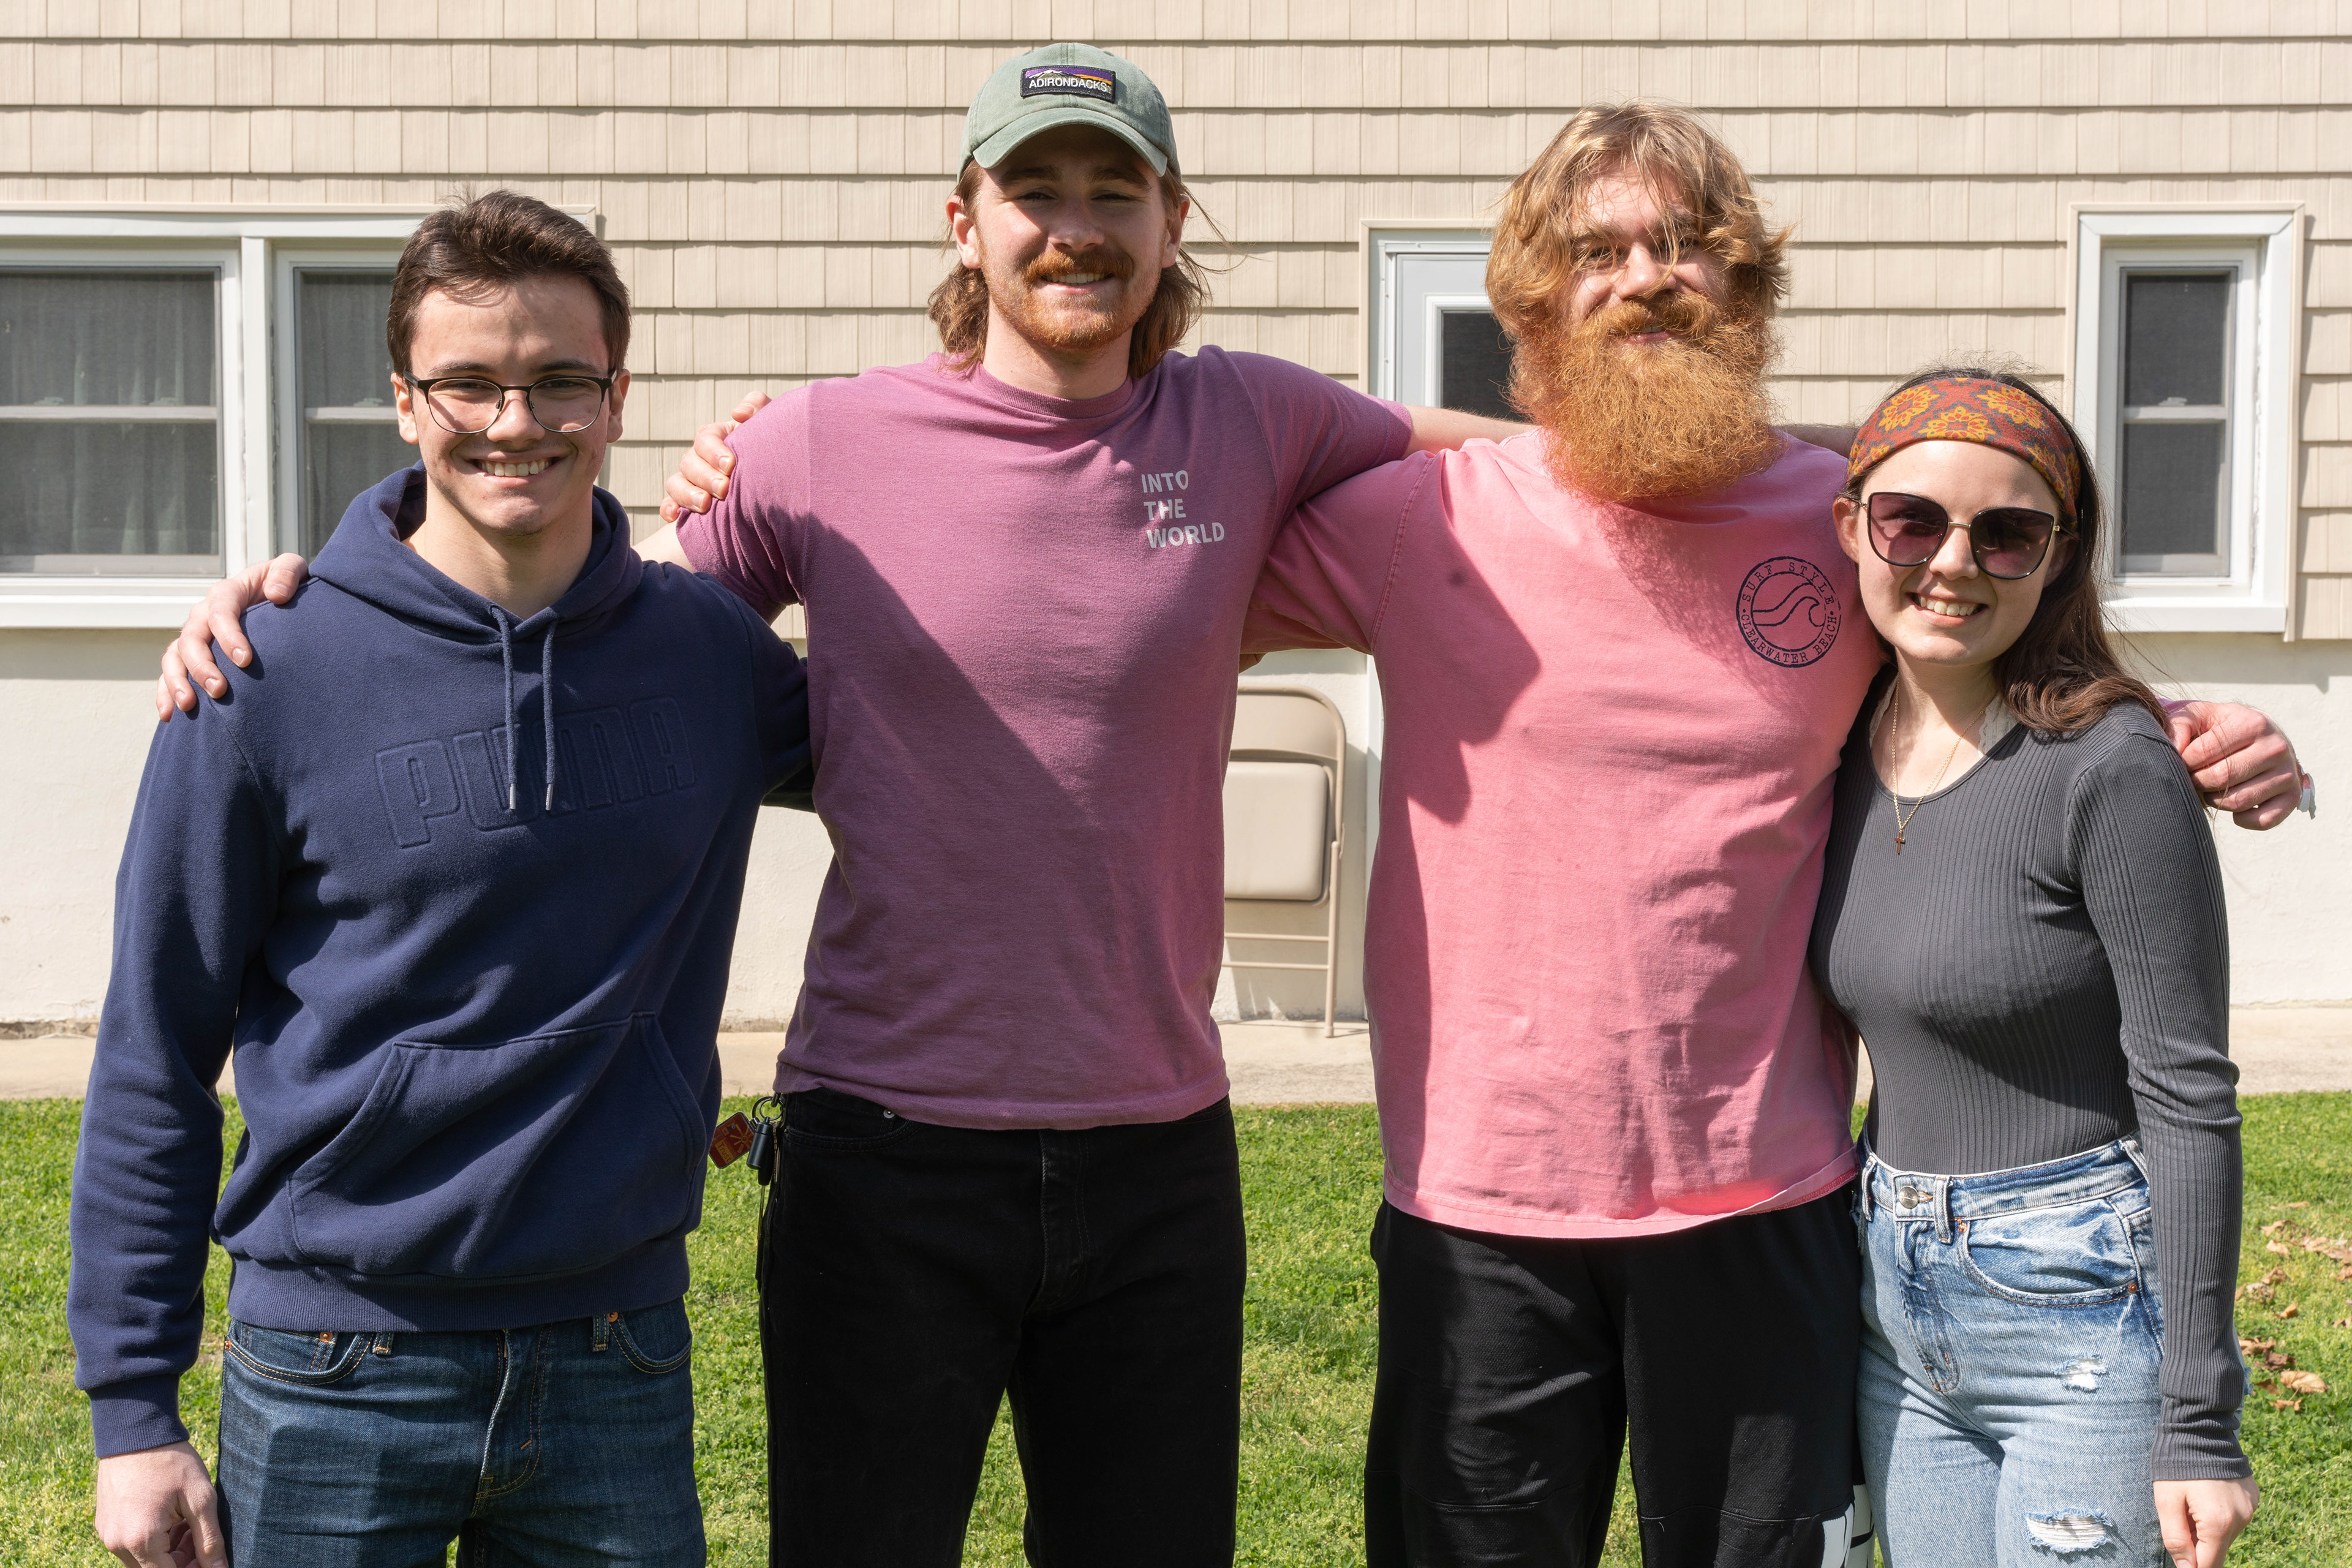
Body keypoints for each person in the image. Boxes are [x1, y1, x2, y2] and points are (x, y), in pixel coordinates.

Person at [1233, 104, 2297, 1568]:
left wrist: (2181, 722)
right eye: (1598, 252)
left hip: (1764, 1200)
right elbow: (1148, 586)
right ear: (1532, 300)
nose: (1646, 278)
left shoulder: (1845, 517)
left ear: (1748, 286)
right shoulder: (1422, 518)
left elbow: (1987, 617)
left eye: (1688, 245)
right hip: (1481, 1207)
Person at [73, 192, 812, 1568]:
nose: (514, 422)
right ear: (406, 402)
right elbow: (154, 1050)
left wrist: (839, 473)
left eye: (560, 381)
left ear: (618, 397)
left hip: (615, 1353)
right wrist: (133, 1414)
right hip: (332, 1365)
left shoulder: (712, 658)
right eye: (469, 382)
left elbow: (943, 744)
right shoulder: (264, 675)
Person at [1811, 371, 2258, 1568]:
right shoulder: (1836, 742)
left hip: (2083, 1311)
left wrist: (2199, 1421)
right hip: (1892, 1302)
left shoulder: (2113, 768)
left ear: (2057, 559)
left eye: (2006, 533)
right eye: (1912, 520)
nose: (1953, 563)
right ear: (1853, 526)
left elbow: (2188, 1095)